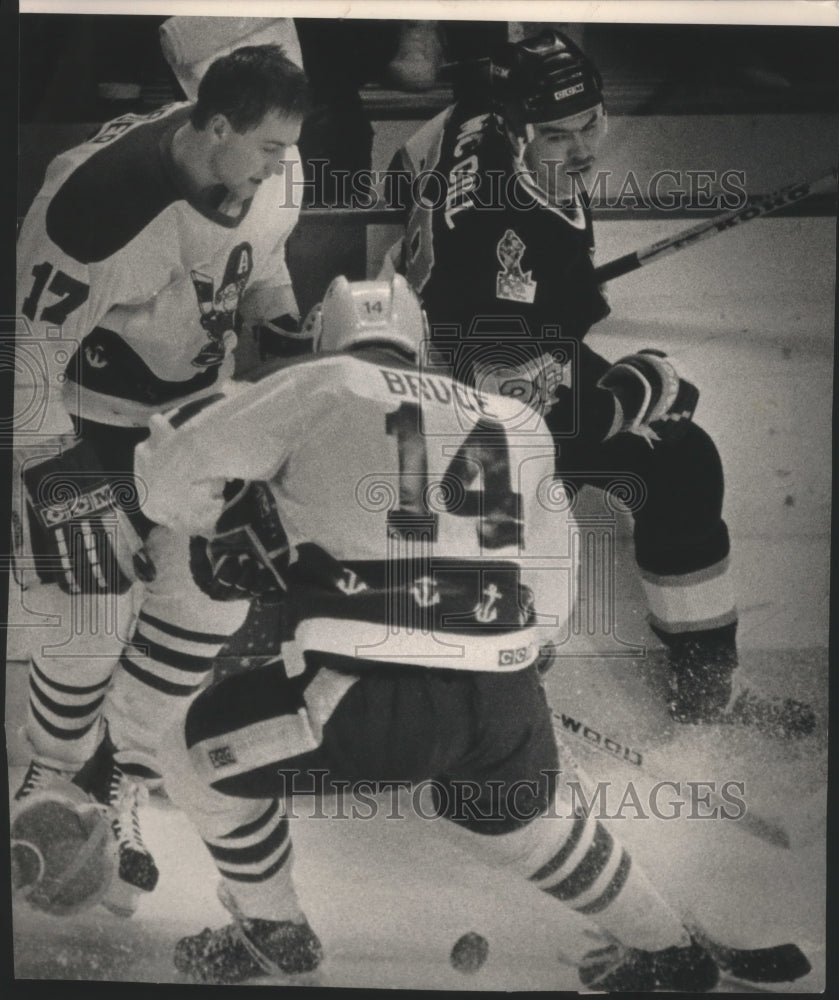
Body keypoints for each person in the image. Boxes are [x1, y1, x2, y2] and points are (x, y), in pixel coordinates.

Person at [123, 273, 725, 990]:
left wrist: (215, 520)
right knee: (514, 819)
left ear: (325, 337)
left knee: (187, 756)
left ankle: (273, 930)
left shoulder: (324, 381)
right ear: (423, 347)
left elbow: (166, 469)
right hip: (505, 703)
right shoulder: (515, 419)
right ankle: (666, 947)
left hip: (360, 700)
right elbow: (551, 595)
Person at [381, 28, 815, 738]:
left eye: (590, 125)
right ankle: (508, 710)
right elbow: (539, 423)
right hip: (450, 404)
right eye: (556, 137)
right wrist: (647, 383)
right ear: (519, 131)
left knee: (677, 455)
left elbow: (406, 168)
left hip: (474, 339)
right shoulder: (510, 235)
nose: (581, 150)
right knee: (674, 456)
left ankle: (703, 687)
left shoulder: (480, 111)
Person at [11, 43, 311, 916]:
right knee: (92, 614)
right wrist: (68, 488)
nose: (281, 168)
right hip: (87, 422)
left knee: (209, 602)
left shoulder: (267, 167)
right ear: (213, 126)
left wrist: (282, 328)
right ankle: (55, 774)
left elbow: (265, 257)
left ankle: (124, 781)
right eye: (267, 150)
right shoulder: (97, 206)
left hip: (200, 417)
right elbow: (25, 364)